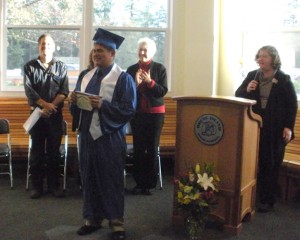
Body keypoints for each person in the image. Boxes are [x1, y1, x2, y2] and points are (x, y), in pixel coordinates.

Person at [69, 28, 136, 240]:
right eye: (95, 50)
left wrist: (104, 105)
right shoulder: (85, 76)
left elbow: (128, 109)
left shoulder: (123, 79)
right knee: (89, 177)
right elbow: (79, 108)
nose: (96, 54)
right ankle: (92, 218)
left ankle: (116, 223)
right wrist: (74, 102)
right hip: (87, 137)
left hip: (109, 137)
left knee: (111, 178)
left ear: (112, 54)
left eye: (101, 51)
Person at [235, 45, 298, 213]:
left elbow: (292, 104)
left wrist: (288, 127)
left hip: (276, 130)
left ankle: (268, 199)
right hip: (255, 128)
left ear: (273, 59)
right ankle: (255, 196)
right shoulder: (252, 75)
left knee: (272, 163)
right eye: (259, 56)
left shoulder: (283, 79)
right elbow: (238, 94)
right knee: (256, 162)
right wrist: (247, 90)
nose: (261, 59)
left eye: (265, 56)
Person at [23, 33, 69, 199]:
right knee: (36, 153)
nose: (45, 47)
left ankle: (54, 186)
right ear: (38, 47)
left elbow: (64, 91)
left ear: (54, 47)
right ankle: (37, 187)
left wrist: (51, 106)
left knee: (53, 152)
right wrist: (44, 105)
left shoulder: (61, 67)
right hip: (36, 115)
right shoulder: (29, 67)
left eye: (49, 44)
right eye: (43, 44)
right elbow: (29, 91)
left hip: (55, 115)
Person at [126, 37, 168, 195]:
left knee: (151, 149)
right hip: (137, 115)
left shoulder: (159, 68)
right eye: (140, 49)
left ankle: (150, 184)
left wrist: (150, 82)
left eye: (145, 49)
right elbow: (127, 95)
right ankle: (139, 183)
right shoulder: (131, 70)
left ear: (152, 52)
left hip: (155, 115)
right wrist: (135, 84)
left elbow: (162, 91)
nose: (142, 52)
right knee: (138, 149)